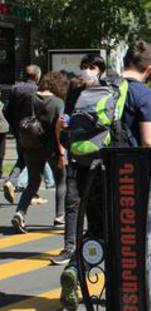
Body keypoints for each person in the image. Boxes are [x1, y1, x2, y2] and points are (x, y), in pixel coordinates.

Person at [59, 40, 151, 311]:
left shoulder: (100, 87)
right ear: (149, 69)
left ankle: (74, 267)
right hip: (126, 177)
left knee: (98, 229)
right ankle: (124, 299)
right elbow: (150, 142)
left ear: (124, 62)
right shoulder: (144, 94)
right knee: (130, 237)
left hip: (89, 170)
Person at [51, 53, 107, 265]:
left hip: (98, 157)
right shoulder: (75, 92)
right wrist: (62, 150)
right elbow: (63, 119)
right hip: (76, 155)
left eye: (91, 66)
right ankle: (70, 247)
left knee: (95, 206)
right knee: (72, 202)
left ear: (99, 69)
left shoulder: (107, 91)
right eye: (84, 66)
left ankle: (91, 248)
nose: (86, 70)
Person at [10, 71, 68, 234]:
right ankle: (59, 217)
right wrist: (62, 153)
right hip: (51, 148)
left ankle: (20, 213)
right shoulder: (57, 102)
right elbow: (58, 129)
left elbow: (22, 120)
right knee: (60, 180)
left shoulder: (30, 98)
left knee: (33, 183)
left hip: (30, 146)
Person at [3, 65, 42, 204]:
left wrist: (14, 124)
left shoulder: (15, 88)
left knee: (24, 158)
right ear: (37, 76)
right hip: (34, 131)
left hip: (19, 130)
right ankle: (23, 188)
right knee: (34, 160)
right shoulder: (38, 90)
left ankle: (17, 185)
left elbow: (6, 110)